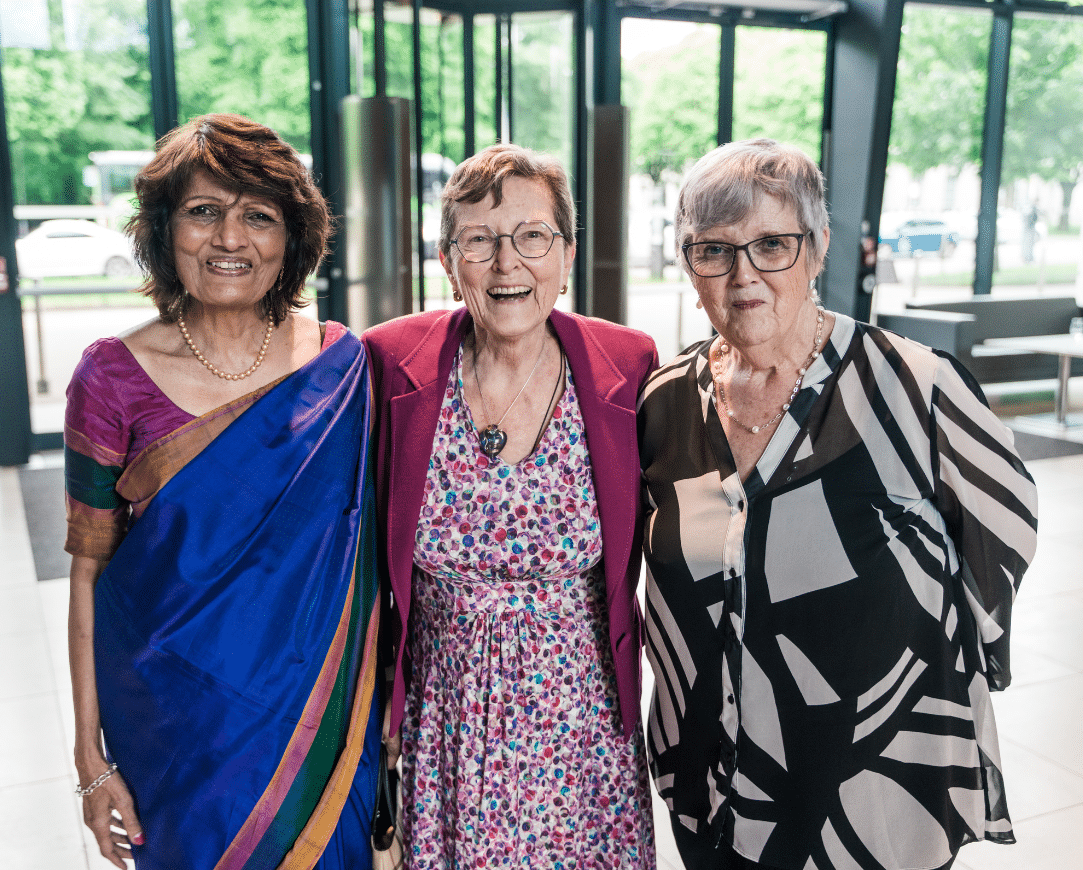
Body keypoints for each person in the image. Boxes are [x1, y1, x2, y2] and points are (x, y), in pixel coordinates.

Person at [637, 138, 1038, 870]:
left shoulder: (915, 386)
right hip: (713, 779)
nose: (744, 274)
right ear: (687, 263)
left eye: (772, 245)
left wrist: (940, 649)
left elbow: (1003, 530)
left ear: (818, 249)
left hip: (879, 782)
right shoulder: (665, 402)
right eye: (714, 250)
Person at [64, 113, 381, 870]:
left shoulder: (343, 368)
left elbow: (371, 563)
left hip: (323, 722)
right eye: (203, 211)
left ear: (293, 239)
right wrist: (89, 760)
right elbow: (88, 569)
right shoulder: (110, 377)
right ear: (163, 230)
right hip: (176, 732)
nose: (230, 239)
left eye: (259, 217)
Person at [364, 143, 658, 869]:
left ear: (567, 254)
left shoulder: (630, 365)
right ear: (446, 258)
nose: (507, 264)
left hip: (584, 729)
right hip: (444, 723)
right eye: (479, 241)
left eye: (532, 237)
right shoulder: (386, 361)